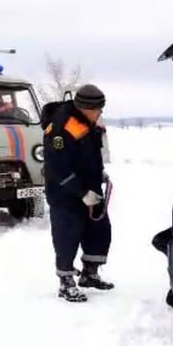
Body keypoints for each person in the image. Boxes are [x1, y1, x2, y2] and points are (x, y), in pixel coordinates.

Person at [41, 84, 114, 302]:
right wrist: (81, 192)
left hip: (91, 188)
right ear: (84, 107)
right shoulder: (61, 127)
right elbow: (57, 167)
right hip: (65, 193)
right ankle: (66, 282)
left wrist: (99, 175)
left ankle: (89, 274)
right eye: (97, 110)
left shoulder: (87, 122)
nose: (99, 114)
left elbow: (89, 155)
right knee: (67, 236)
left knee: (99, 231)